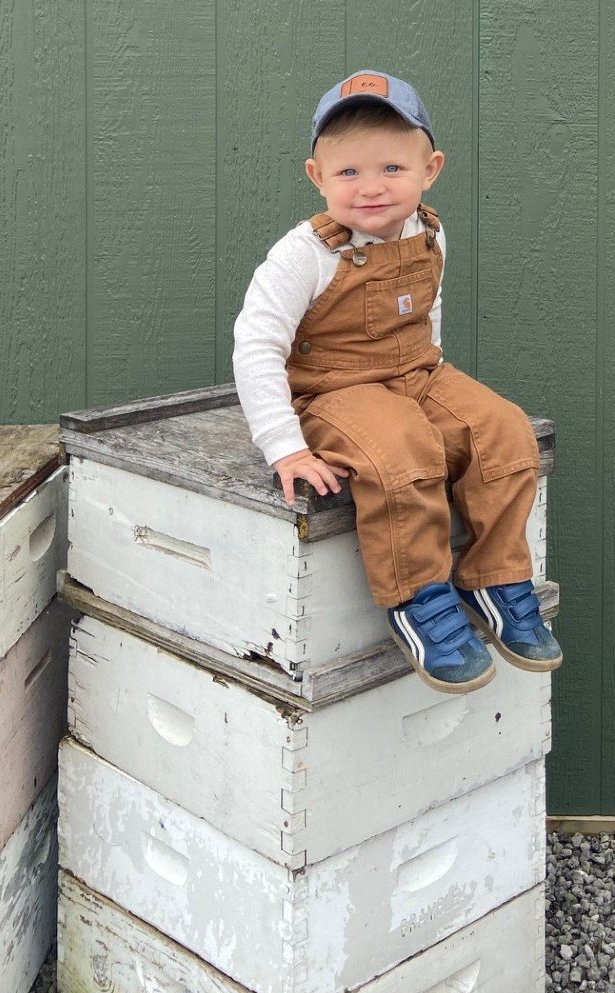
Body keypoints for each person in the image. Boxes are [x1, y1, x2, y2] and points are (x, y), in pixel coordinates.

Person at [232, 69, 562, 695]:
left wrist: (442, 390)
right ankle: (418, 599)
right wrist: (286, 445)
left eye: (392, 169)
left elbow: (425, 312)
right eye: (349, 172)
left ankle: (496, 577)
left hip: (416, 370)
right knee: (403, 450)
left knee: (504, 432)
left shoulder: (430, 231)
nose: (372, 188)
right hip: (334, 389)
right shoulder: (305, 253)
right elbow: (256, 345)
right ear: (317, 177)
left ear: (429, 168)